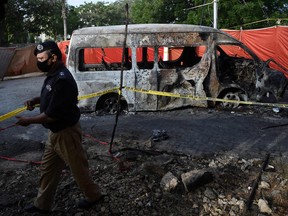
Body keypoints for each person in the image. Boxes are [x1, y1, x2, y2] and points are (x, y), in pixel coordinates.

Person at [16, 40, 102, 214]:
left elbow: (51, 115)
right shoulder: (53, 75)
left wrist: (28, 120)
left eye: (41, 58)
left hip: (66, 133)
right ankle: (42, 205)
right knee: (48, 170)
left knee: (78, 169)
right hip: (55, 134)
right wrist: (35, 99)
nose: (38, 62)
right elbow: (49, 96)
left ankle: (94, 196)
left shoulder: (62, 80)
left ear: (53, 57)